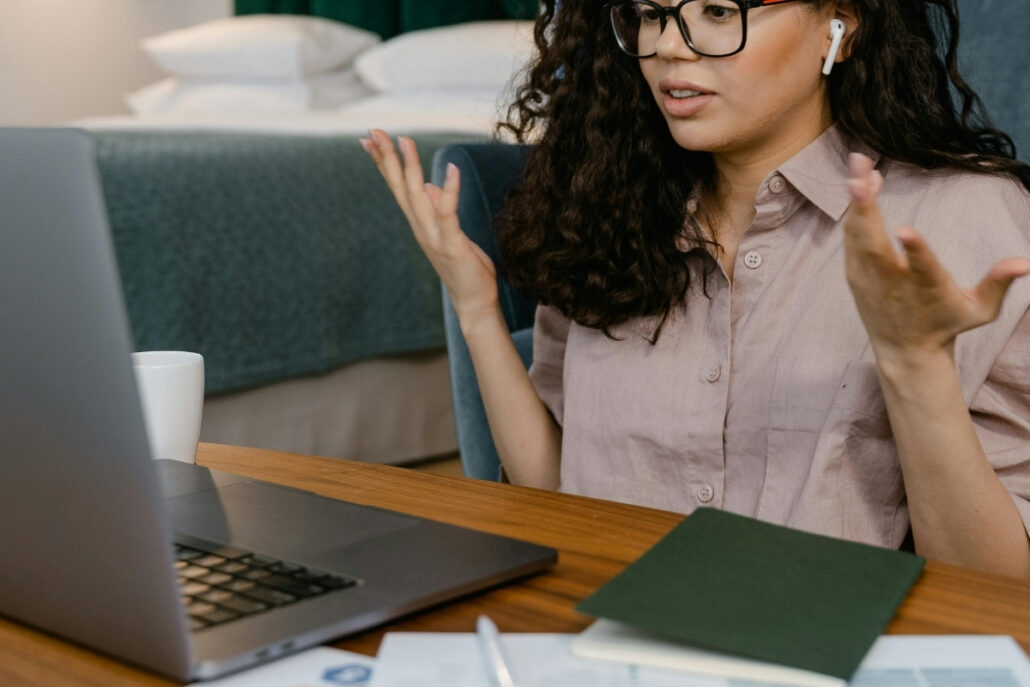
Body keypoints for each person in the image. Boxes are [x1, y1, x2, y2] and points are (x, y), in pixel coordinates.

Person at [361, 0, 1030, 579]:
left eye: (719, 12)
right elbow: (559, 497)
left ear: (840, 24)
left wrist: (915, 371)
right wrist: (477, 308)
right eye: (651, 15)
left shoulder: (964, 220)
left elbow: (996, 596)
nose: (671, 47)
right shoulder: (606, 211)